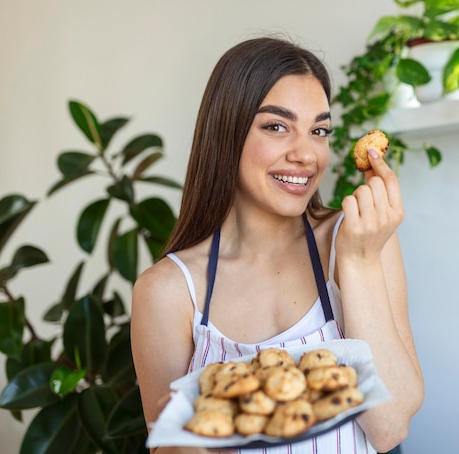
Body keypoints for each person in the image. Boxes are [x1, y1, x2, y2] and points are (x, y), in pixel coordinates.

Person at [131, 36, 424, 454]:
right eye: (276, 126)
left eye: (319, 130)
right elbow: (166, 446)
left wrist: (359, 262)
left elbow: (390, 427)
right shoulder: (167, 292)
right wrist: (185, 442)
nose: (307, 154)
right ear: (226, 133)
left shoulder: (355, 241)